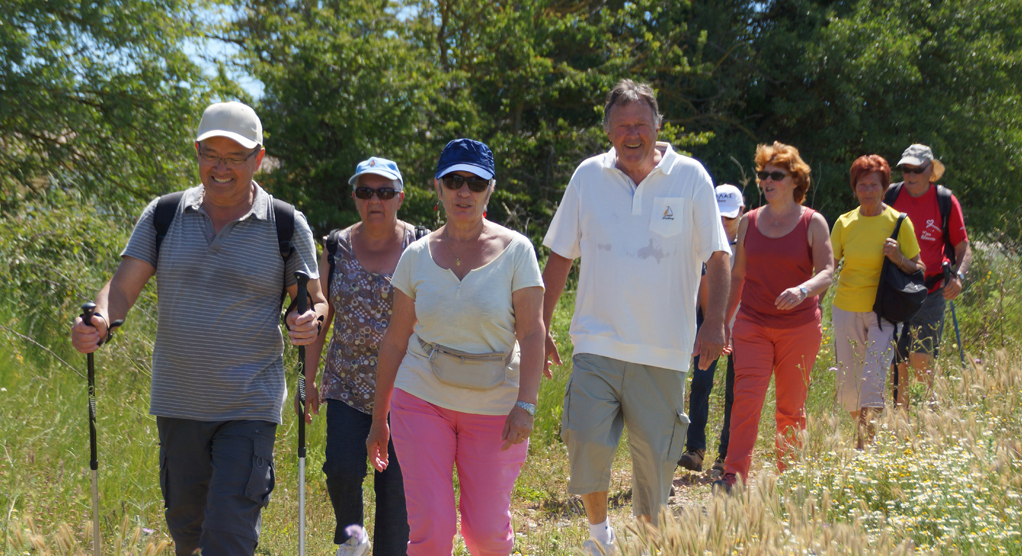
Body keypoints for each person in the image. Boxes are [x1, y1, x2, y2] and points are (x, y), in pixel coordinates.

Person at [70, 101, 327, 556]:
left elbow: (314, 301)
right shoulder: (165, 214)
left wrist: (310, 320)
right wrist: (100, 321)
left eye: (235, 156)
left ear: (258, 158)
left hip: (249, 406)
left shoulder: (285, 224)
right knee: (188, 531)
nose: (221, 167)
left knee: (228, 535)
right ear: (197, 153)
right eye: (212, 154)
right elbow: (123, 285)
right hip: (178, 403)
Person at [542, 79, 731, 554]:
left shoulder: (691, 177)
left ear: (658, 126)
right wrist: (539, 325)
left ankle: (646, 544)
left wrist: (715, 322)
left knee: (656, 464)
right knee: (584, 439)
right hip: (596, 343)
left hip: (664, 350)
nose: (632, 134)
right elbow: (561, 256)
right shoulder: (588, 176)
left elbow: (718, 255)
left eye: (641, 125)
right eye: (622, 125)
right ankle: (599, 535)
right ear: (607, 130)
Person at [365, 139, 545, 556]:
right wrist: (379, 418)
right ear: (439, 187)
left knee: (485, 534)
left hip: (496, 406)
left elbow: (533, 333)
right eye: (454, 180)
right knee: (432, 527)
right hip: (422, 398)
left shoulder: (518, 251)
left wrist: (528, 404)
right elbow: (395, 340)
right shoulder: (415, 256)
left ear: (490, 190)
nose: (464, 191)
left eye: (475, 182)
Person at [300, 157, 414, 555]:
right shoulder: (336, 247)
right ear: (355, 198)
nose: (375, 200)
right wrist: (310, 380)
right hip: (347, 383)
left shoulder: (420, 245)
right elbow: (321, 314)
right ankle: (353, 537)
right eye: (365, 192)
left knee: (396, 489)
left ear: (400, 198)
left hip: (406, 388)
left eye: (384, 192)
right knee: (342, 469)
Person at [715, 143, 834, 492]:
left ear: (795, 180)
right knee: (746, 402)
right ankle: (732, 478)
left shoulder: (813, 222)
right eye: (763, 174)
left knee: (790, 408)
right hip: (752, 324)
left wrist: (803, 289)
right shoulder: (749, 222)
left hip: (799, 327)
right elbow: (738, 276)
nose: (767, 180)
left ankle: (790, 478)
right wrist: (725, 321)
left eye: (775, 175)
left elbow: (827, 271)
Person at [831, 154, 924, 448]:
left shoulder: (899, 222)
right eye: (862, 185)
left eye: (874, 185)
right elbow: (827, 268)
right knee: (849, 385)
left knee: (872, 380)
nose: (868, 191)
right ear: (854, 188)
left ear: (885, 188)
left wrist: (898, 257)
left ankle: (864, 445)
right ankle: (862, 435)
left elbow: (919, 269)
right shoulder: (844, 223)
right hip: (846, 308)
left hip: (884, 312)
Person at [887, 144, 971, 405]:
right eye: (905, 170)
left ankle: (926, 419)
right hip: (894, 290)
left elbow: (963, 246)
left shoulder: (945, 200)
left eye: (916, 170)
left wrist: (958, 277)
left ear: (930, 170)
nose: (910, 175)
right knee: (897, 361)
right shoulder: (890, 196)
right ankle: (901, 423)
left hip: (930, 292)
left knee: (922, 359)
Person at [678, 184, 745, 475]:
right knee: (701, 384)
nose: (724, 221)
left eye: (730, 215)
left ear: (742, 212)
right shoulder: (699, 240)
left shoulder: (748, 244)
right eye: (719, 215)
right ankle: (695, 450)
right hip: (708, 324)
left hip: (743, 327)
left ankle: (726, 455)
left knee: (736, 390)